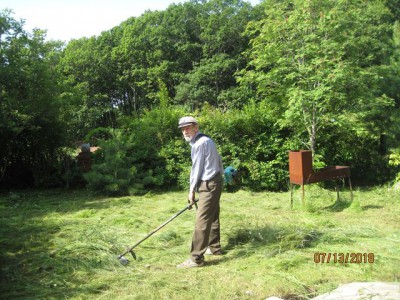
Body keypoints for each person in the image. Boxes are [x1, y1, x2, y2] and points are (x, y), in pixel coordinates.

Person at [177, 116, 224, 268]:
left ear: (196, 128)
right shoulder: (207, 140)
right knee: (213, 215)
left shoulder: (199, 143)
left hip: (209, 184)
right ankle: (214, 248)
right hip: (216, 181)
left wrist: (191, 191)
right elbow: (218, 160)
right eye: (183, 129)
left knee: (202, 220)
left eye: (188, 128)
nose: (185, 131)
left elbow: (196, 169)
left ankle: (196, 258)